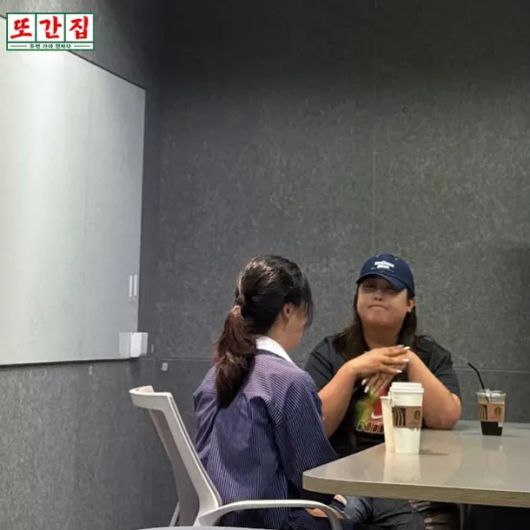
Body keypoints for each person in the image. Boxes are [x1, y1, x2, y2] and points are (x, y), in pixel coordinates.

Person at [194, 255, 355, 530]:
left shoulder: (216, 374)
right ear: (288, 311)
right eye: (305, 312)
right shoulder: (289, 382)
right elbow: (315, 482)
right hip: (270, 521)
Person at [305, 254, 462, 530]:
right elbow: (312, 426)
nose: (378, 295)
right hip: (345, 477)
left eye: (390, 289)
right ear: (357, 297)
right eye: (369, 287)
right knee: (318, 522)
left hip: (411, 482)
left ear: (410, 303)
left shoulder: (430, 355)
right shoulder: (331, 352)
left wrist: (408, 359)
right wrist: (351, 370)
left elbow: (447, 417)